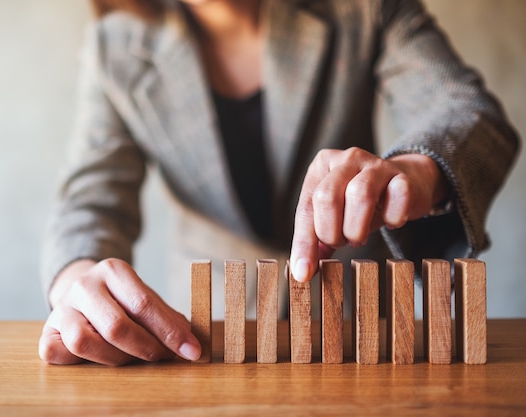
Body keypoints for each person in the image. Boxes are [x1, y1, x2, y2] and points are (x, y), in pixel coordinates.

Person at [38, 0, 520, 366]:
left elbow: (468, 113)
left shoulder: (365, 9)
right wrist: (75, 281)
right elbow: (90, 200)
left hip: (360, 325)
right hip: (205, 336)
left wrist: (418, 168)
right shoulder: (113, 47)